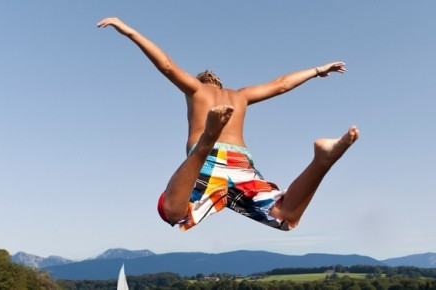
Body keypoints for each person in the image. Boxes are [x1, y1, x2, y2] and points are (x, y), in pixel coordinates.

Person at [97, 17, 360, 231]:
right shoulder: (240, 96)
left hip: (208, 159)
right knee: (284, 216)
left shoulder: (196, 90)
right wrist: (317, 70)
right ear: (221, 85)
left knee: (172, 212)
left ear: (201, 83)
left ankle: (207, 139)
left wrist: (129, 31)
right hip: (240, 162)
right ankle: (323, 160)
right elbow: (281, 85)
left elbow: (166, 65)